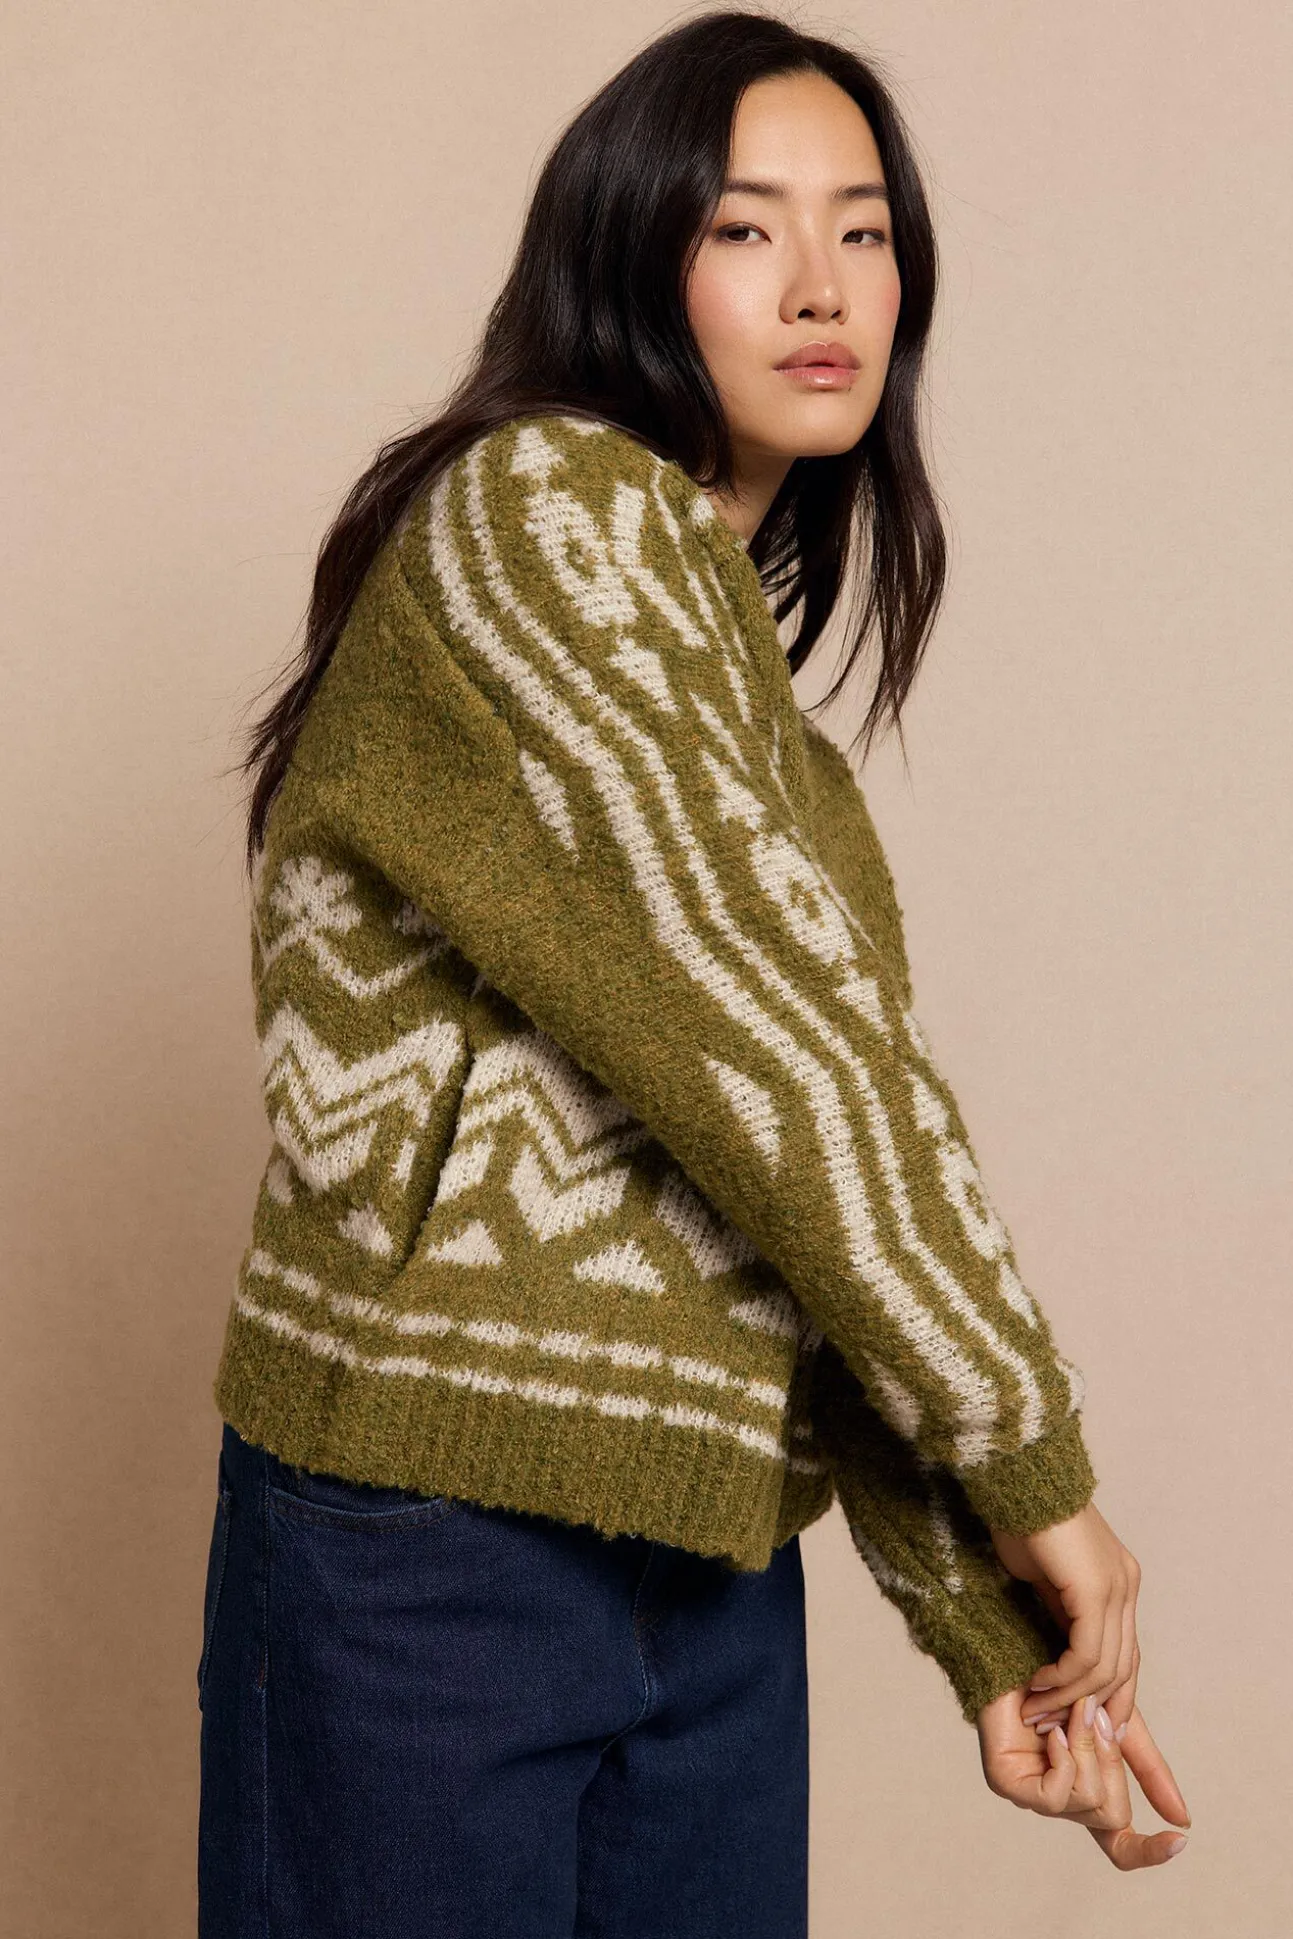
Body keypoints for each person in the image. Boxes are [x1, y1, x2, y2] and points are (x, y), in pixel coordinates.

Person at [196, 11, 1190, 1933]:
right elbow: (789, 1057)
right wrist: (1032, 1463)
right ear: (628, 257)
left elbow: (788, 1179)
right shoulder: (540, 516)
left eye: (866, 230)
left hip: (711, 1564)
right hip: (433, 1546)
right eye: (746, 227)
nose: (823, 284)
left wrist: (980, 1618)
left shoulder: (770, 754)